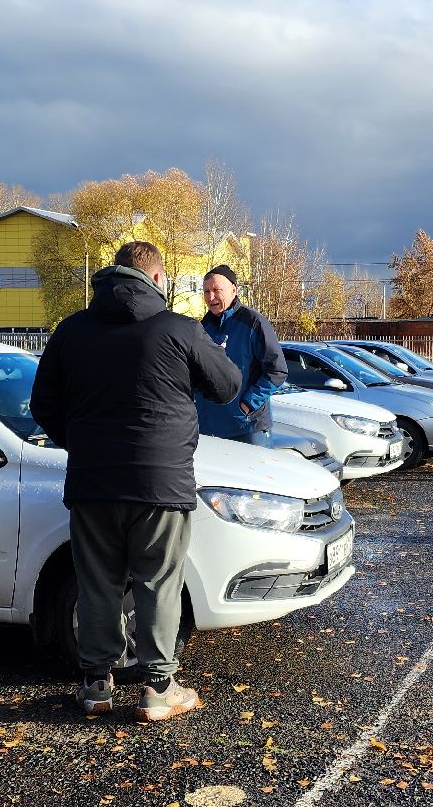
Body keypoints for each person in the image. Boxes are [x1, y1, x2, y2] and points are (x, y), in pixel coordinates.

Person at [31, 241, 240, 722]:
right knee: (157, 582)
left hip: (92, 482)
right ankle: (157, 689)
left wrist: (81, 443)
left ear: (111, 275)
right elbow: (226, 386)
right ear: (158, 279)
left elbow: (43, 405)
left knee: (97, 582)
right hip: (160, 482)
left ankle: (96, 686)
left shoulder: (72, 331)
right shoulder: (178, 329)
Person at [196, 264, 287, 446]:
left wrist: (247, 405)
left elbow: (277, 371)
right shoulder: (202, 327)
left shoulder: (253, 322)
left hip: (247, 428)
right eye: (206, 291)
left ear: (233, 290)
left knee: (256, 475)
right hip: (209, 429)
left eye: (216, 290)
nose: (210, 297)